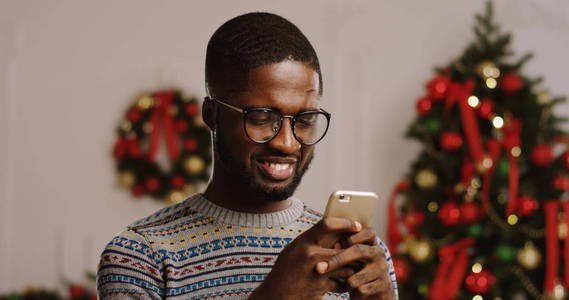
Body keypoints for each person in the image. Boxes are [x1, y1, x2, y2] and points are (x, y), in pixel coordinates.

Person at [97, 12, 398, 300]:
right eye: (263, 116)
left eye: (305, 119)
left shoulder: (355, 255)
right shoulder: (140, 257)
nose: (288, 143)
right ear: (211, 115)